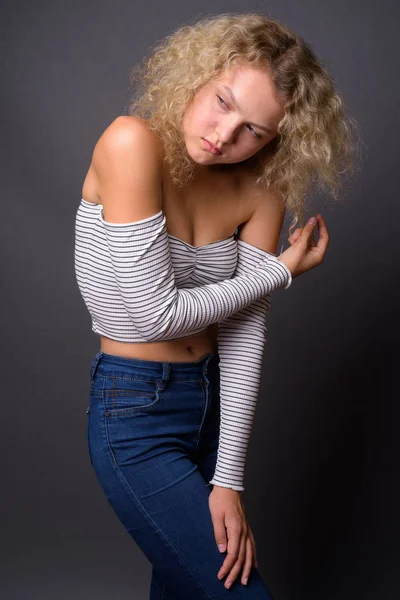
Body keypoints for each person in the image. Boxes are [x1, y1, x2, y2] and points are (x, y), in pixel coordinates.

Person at [74, 12, 357, 599]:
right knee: (236, 591)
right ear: (196, 78)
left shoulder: (262, 191)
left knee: (184, 590)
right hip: (135, 414)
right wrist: (280, 270)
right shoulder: (131, 142)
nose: (225, 135)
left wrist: (229, 478)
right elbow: (154, 316)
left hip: (210, 411)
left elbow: (244, 336)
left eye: (254, 129)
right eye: (222, 102)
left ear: (277, 138)